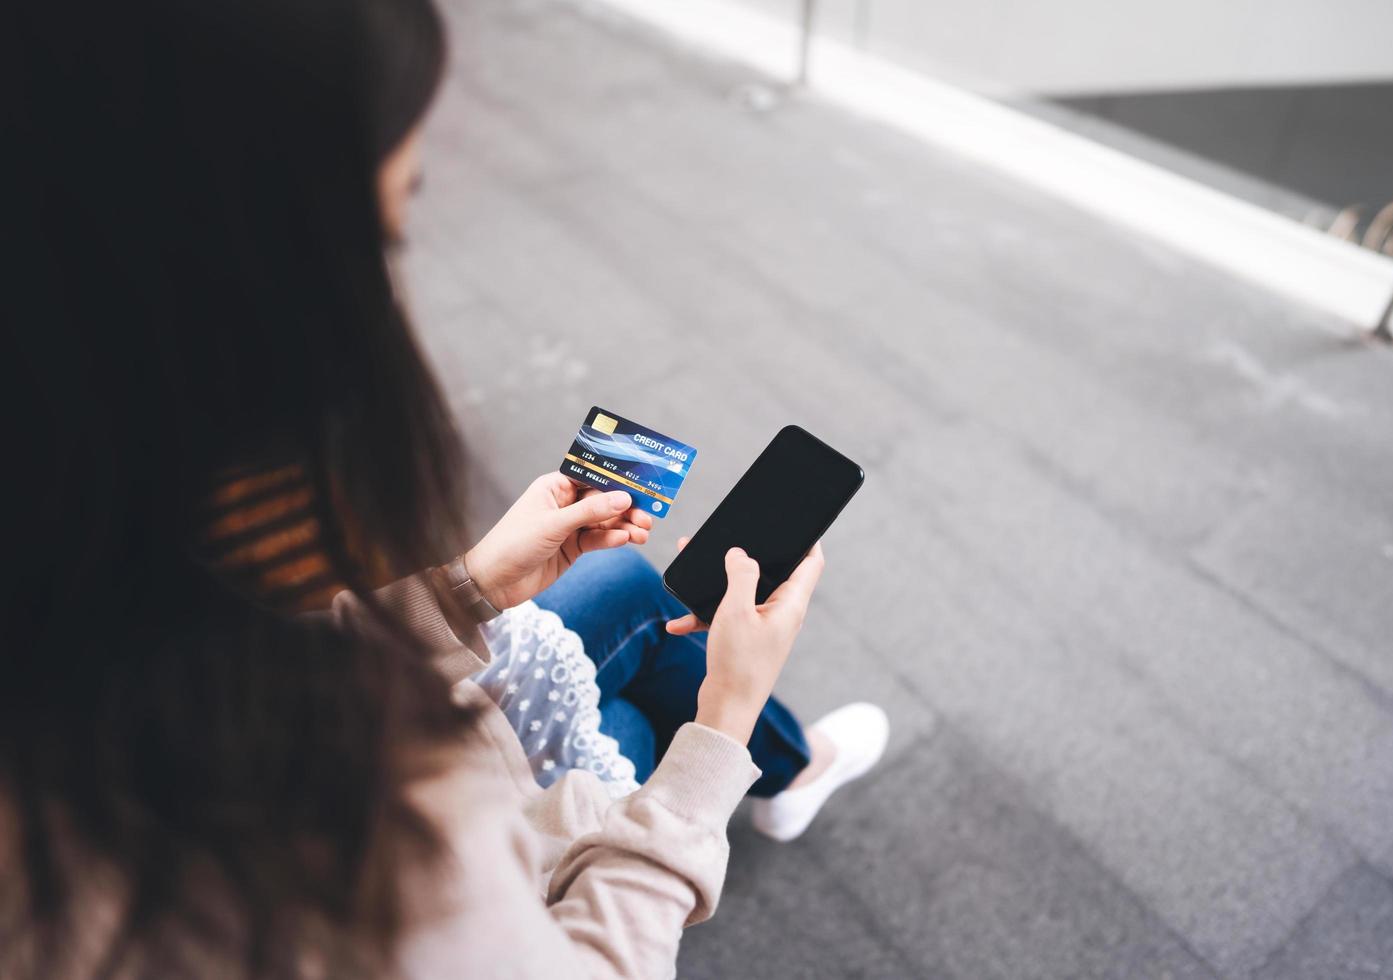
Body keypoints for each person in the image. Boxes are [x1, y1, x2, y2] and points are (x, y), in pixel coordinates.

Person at [2, 0, 886, 977]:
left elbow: (236, 673)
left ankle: (778, 769)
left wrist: (465, 587)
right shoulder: (350, 859)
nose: (389, 305)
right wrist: (723, 725)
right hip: (468, 815)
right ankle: (772, 763)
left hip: (459, 753)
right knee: (655, 697)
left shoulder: (90, 617)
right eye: (383, 240)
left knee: (639, 604)